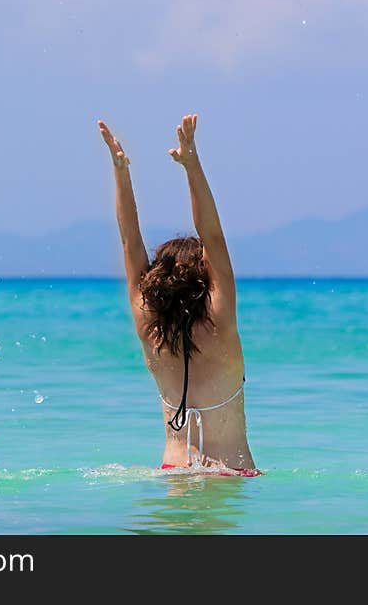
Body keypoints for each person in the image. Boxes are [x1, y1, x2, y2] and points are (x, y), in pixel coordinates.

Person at [97, 114, 259, 477]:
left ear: (158, 281)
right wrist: (192, 165)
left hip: (172, 471)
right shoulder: (220, 322)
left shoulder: (150, 331)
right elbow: (213, 238)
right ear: (204, 280)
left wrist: (121, 173)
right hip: (231, 472)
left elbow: (130, 242)